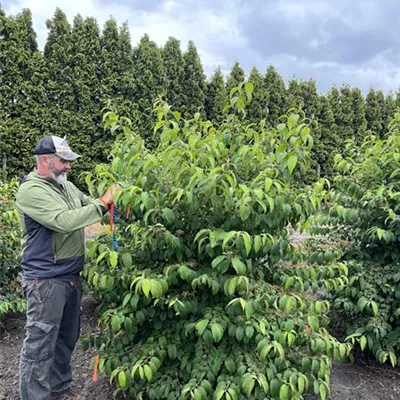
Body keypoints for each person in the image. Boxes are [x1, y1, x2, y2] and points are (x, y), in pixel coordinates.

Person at [16, 135, 119, 400]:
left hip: (70, 276)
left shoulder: (66, 187)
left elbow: (88, 205)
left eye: (69, 161)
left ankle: (58, 387)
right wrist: (102, 203)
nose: (68, 166)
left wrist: (114, 199)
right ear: (45, 159)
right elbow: (63, 221)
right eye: (63, 160)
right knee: (41, 342)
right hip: (45, 280)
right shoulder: (32, 190)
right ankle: (35, 396)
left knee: (66, 336)